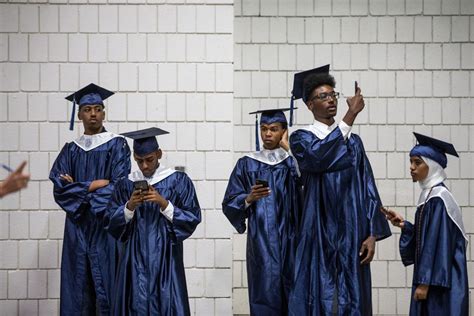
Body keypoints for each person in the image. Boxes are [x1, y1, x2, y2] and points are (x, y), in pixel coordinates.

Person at [288, 65, 391, 315]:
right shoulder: (301, 138)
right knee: (322, 295)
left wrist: (372, 234)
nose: (330, 100)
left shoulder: (354, 142)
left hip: (352, 231)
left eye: (332, 94)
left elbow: (368, 187)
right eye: (322, 96)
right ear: (309, 105)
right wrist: (350, 116)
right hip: (318, 230)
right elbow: (319, 158)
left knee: (352, 298)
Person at [49, 83, 131, 315]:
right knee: (78, 285)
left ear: (104, 113)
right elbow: (60, 189)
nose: (93, 113)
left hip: (105, 224)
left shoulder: (117, 145)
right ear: (79, 114)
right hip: (77, 228)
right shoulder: (70, 150)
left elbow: (119, 186)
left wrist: (78, 189)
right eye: (87, 109)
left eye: (97, 108)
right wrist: (94, 184)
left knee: (107, 282)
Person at [105, 127, 201, 315]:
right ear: (134, 157)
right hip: (134, 257)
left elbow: (193, 217)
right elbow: (110, 221)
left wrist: (164, 203)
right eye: (139, 161)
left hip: (166, 256)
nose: (145, 166)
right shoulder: (126, 184)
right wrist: (129, 206)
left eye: (149, 159)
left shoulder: (178, 180)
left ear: (159, 154)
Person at [222, 108, 300, 315]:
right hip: (262, 242)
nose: (267, 134)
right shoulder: (247, 164)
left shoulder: (294, 163)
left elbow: (311, 189)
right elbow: (229, 201)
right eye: (263, 129)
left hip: (294, 240)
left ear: (284, 131)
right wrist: (248, 198)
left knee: (296, 294)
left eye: (274, 129)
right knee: (264, 291)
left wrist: (290, 150)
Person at [385, 132, 468, 316]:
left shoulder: (439, 199)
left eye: (417, 162)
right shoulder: (430, 195)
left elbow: (437, 245)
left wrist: (424, 283)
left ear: (432, 166)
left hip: (440, 282)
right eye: (411, 162)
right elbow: (427, 237)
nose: (411, 168)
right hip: (433, 278)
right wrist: (405, 225)